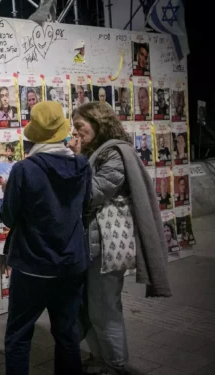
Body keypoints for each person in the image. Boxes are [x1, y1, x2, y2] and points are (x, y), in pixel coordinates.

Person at [73, 101, 171, 375]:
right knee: (94, 306)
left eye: (80, 126)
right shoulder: (100, 151)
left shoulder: (115, 153)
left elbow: (91, 194)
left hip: (105, 246)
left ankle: (114, 364)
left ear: (98, 123)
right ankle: (99, 357)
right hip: (94, 244)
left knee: (105, 307)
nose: (76, 133)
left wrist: (77, 160)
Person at [1, 101, 92, 375]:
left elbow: (8, 217)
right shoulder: (82, 166)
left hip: (32, 266)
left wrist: (8, 191)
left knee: (19, 335)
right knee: (67, 334)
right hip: (71, 264)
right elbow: (85, 207)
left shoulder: (24, 170)